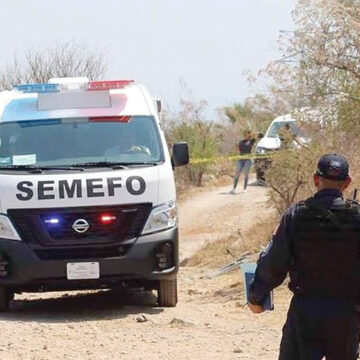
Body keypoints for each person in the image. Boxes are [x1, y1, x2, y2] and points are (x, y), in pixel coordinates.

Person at [248, 153, 360, 360]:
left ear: (316, 179)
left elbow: (274, 262)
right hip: (346, 315)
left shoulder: (295, 215)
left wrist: (256, 295)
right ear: (347, 183)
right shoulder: (358, 217)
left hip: (305, 312)